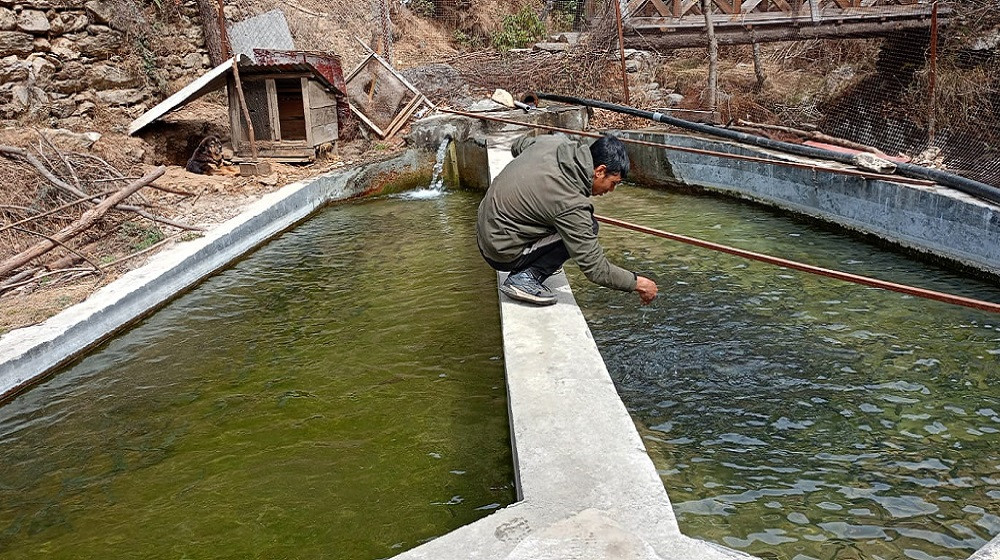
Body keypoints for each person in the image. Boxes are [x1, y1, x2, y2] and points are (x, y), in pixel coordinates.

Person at [476, 132, 658, 306]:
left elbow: (518, 145)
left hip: (484, 229)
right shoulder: (571, 203)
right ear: (600, 171)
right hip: (499, 252)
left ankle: (536, 261)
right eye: (613, 183)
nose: (610, 191)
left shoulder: (552, 144)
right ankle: (525, 278)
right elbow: (596, 269)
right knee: (590, 226)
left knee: (569, 223)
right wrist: (638, 283)